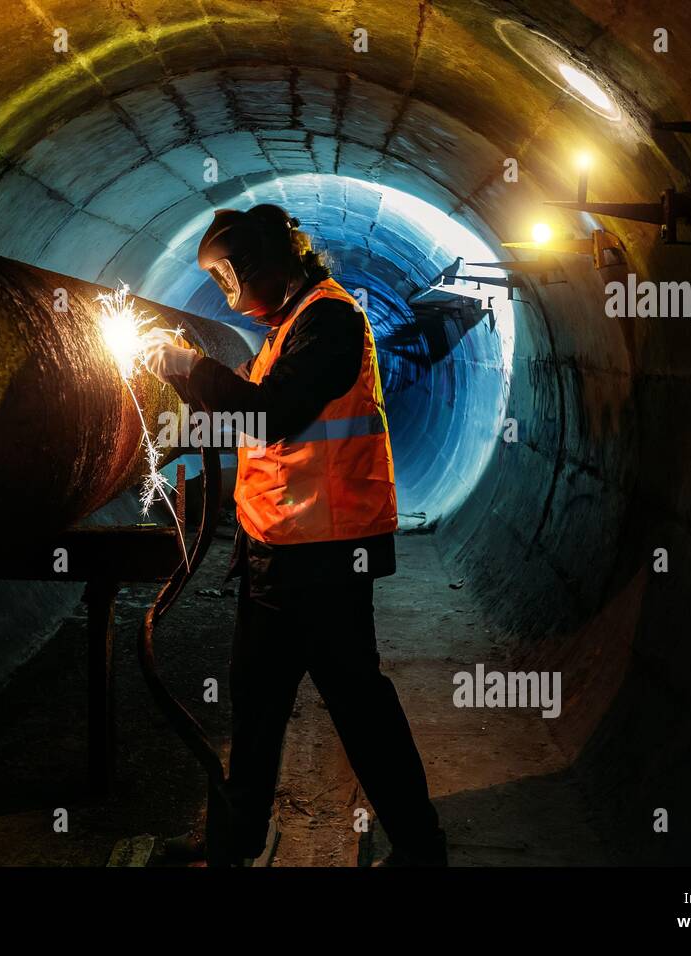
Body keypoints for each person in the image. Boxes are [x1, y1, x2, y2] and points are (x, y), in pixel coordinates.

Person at [141, 204, 448, 867]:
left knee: (359, 709)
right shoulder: (289, 326)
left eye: (229, 277)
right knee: (254, 712)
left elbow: (272, 416)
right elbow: (261, 432)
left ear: (265, 267)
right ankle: (232, 845)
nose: (228, 293)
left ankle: (423, 849)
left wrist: (188, 370)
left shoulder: (330, 322)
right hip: (275, 556)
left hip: (328, 561)